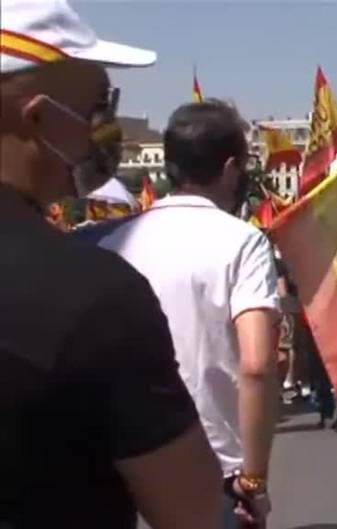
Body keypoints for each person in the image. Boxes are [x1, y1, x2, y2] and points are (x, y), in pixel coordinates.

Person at [0, 1, 221, 528]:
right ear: (38, 117)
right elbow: (191, 512)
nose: (105, 127)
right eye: (100, 105)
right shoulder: (91, 297)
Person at [88, 101, 281, 527]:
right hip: (215, 473)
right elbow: (257, 364)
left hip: (121, 471)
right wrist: (255, 478)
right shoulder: (242, 243)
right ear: (232, 167)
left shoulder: (111, 245)